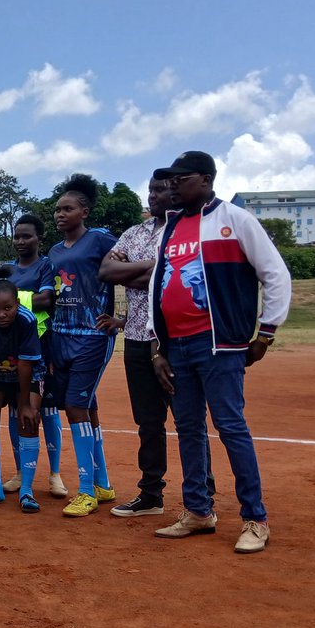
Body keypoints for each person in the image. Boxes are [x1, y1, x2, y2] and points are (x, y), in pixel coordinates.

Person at [147, 151, 291, 553]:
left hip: (220, 344)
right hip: (178, 348)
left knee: (230, 427)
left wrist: (266, 332)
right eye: (169, 180)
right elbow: (160, 287)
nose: (172, 186)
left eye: (180, 179)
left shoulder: (234, 219)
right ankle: (198, 511)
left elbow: (275, 274)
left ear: (206, 180)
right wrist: (158, 346)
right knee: (189, 429)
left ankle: (255, 519)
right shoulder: (169, 228)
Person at [100, 177, 214, 517]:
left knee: (188, 420)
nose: (154, 195)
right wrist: (158, 268)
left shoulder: (190, 230)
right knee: (148, 422)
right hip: (136, 338)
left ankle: (203, 498)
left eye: (161, 189)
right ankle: (151, 495)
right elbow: (107, 270)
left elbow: (184, 273)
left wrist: (135, 274)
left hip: (177, 339)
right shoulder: (135, 233)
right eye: (150, 190)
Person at [46, 175, 119, 518]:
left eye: (67, 209)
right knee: (85, 406)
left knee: (75, 405)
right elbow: (52, 292)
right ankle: (103, 483)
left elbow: (128, 274)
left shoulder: (101, 240)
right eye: (57, 209)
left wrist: (119, 317)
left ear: (84, 211)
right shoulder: (55, 251)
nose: (60, 214)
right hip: (61, 334)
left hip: (92, 336)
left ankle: (86, 490)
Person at [3, 214, 66, 498]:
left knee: (48, 411)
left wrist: (12, 298)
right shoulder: (7, 270)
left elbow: (46, 299)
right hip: (12, 349)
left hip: (43, 345)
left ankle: (55, 474)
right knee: (17, 411)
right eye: (17, 236)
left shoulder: (46, 265)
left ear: (39, 238)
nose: (20, 241)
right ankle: (19, 471)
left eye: (26, 236)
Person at [0, 275, 45, 513]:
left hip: (27, 375)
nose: (0, 314)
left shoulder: (26, 319)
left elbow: (26, 364)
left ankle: (27, 490)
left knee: (29, 420)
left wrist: (24, 405)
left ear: (18, 305)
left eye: (7, 308)